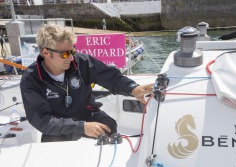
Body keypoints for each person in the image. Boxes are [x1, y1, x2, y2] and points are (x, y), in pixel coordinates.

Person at [20, 24, 153, 142]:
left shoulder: (82, 62)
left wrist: (133, 88)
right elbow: (42, 120)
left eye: (72, 51)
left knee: (109, 126)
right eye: (65, 54)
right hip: (59, 124)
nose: (71, 57)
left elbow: (110, 77)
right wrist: (81, 127)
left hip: (87, 113)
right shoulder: (31, 79)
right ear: (46, 53)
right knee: (53, 143)